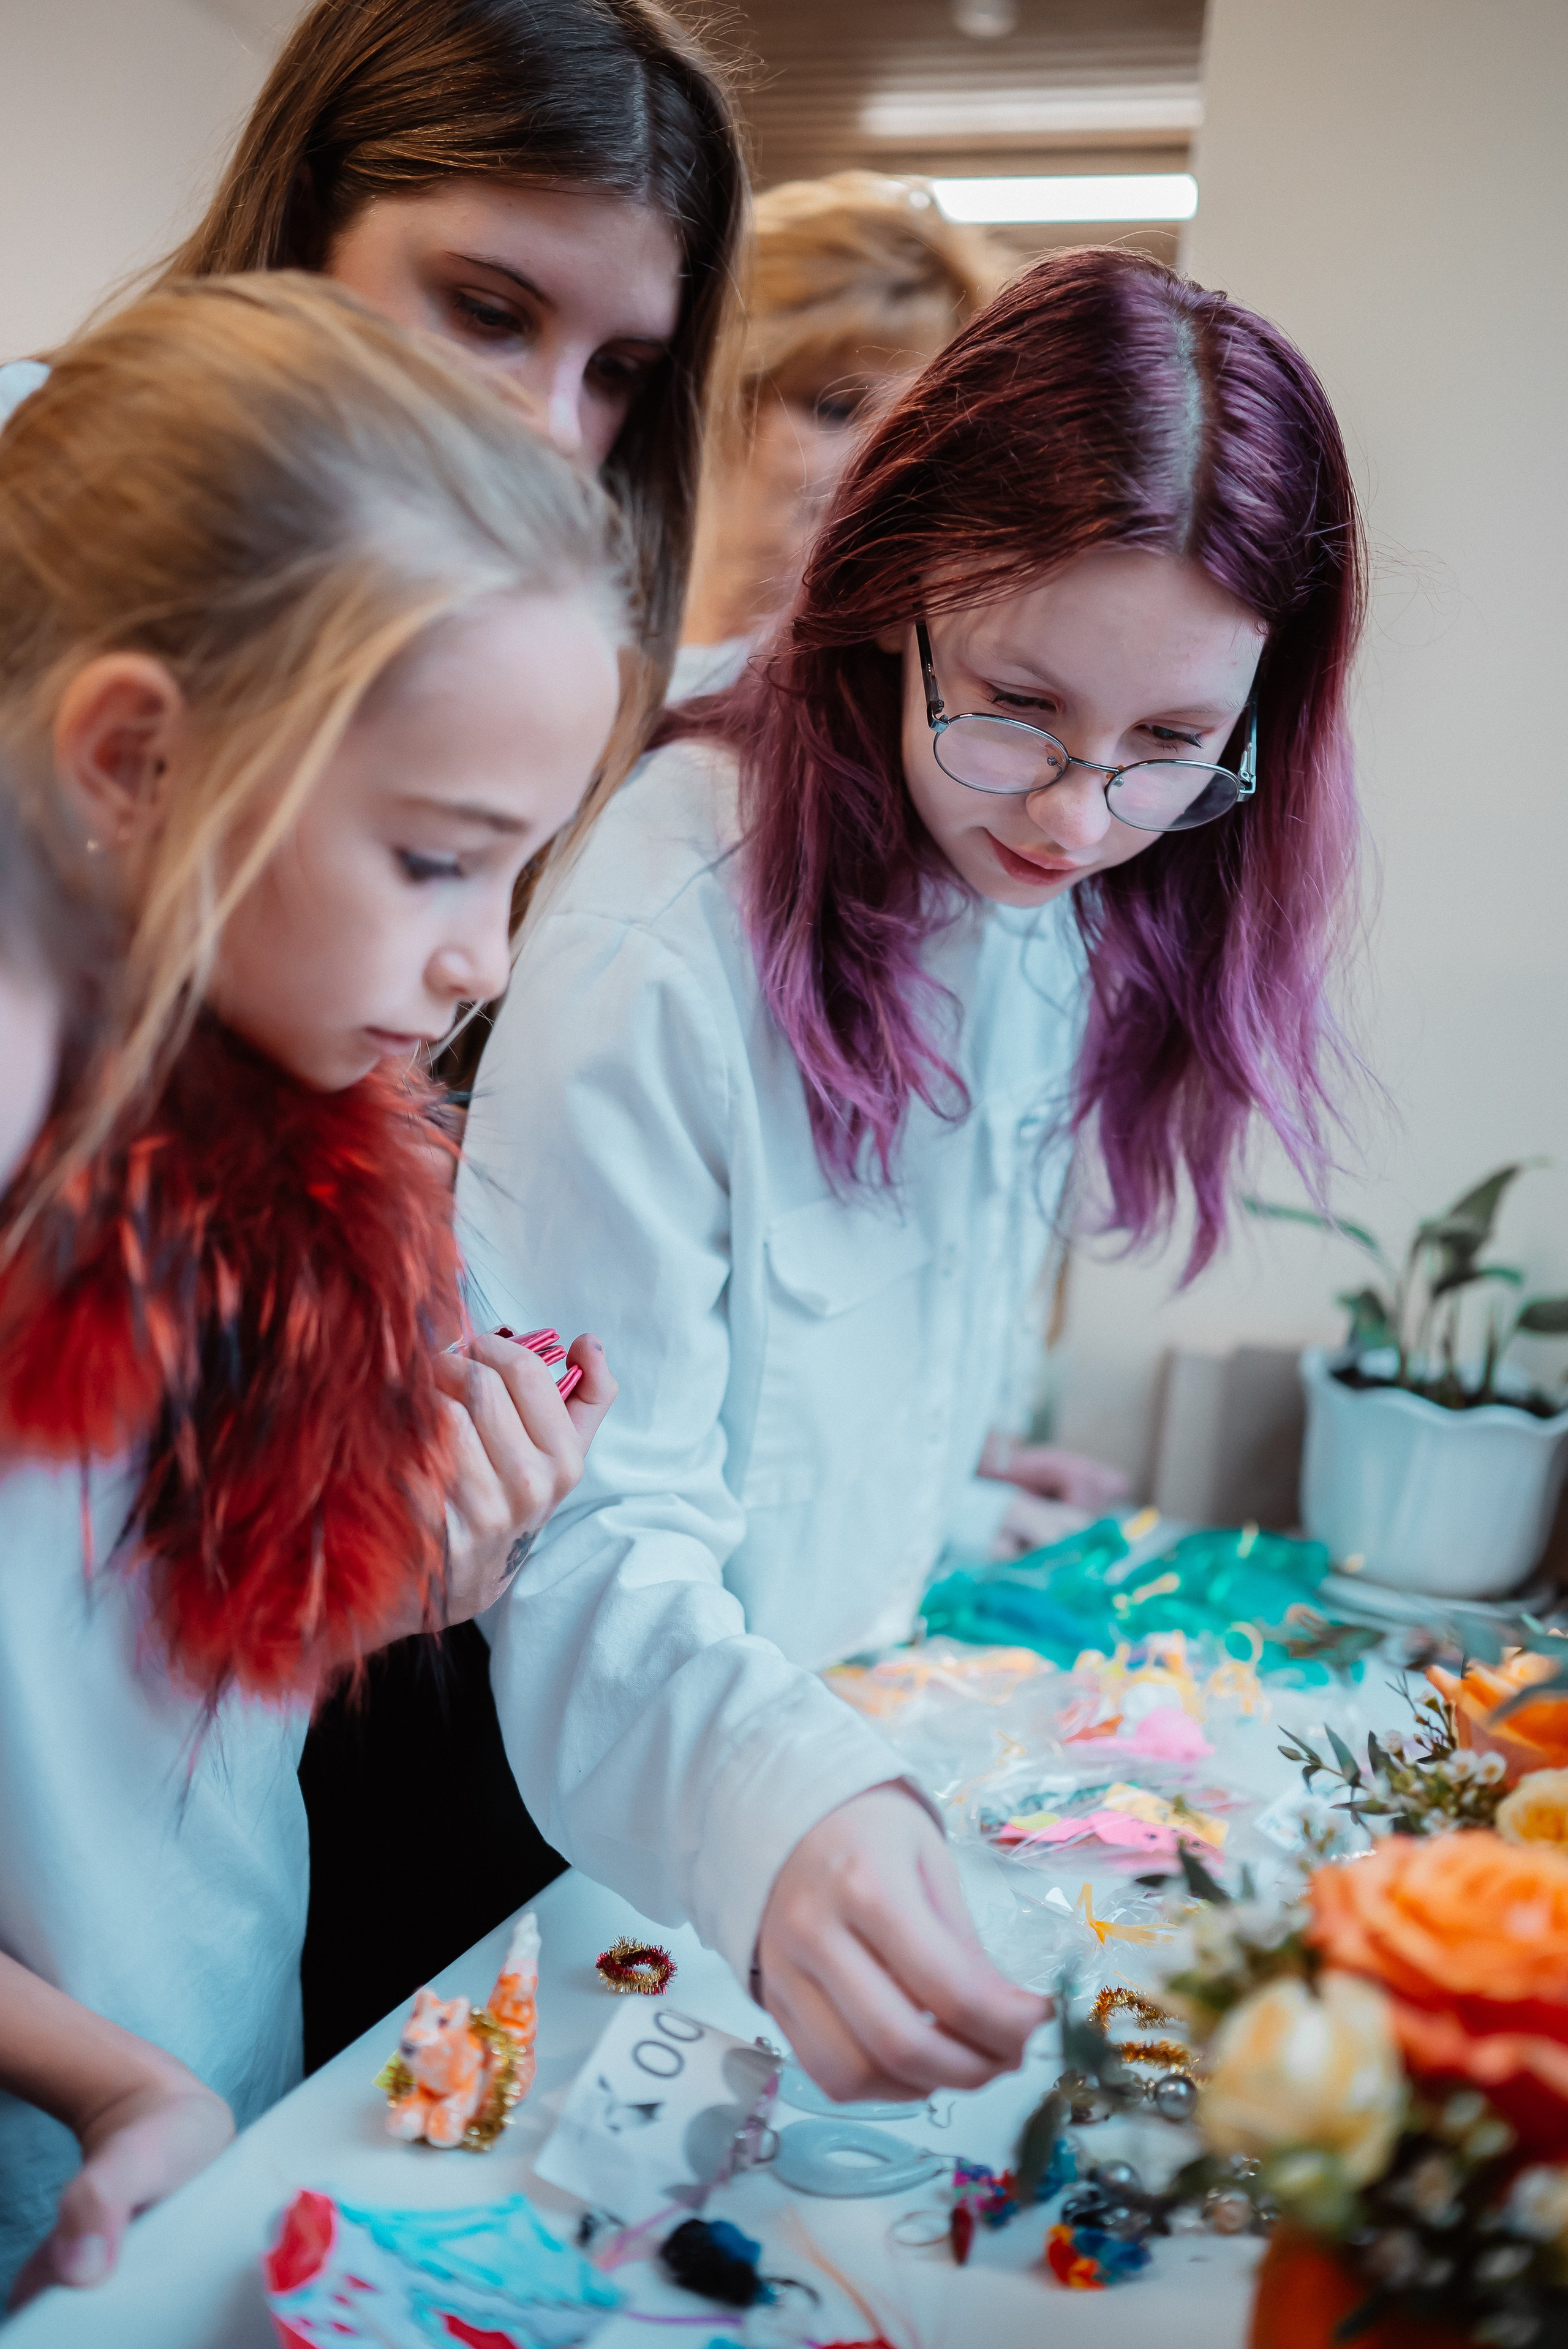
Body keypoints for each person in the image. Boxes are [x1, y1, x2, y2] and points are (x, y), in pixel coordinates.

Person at [456, 246, 1366, 2101]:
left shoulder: (1063, 879)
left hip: (869, 1728)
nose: (1075, 815)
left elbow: (854, 1342)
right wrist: (778, 1805)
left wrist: (939, 1486)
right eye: (1018, 703)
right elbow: (586, 1524)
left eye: (1173, 748)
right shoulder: (668, 923)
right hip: (588, 1839)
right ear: (893, 591)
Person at [0, 272, 624, 2302]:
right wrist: (113, 2088)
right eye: (442, 858)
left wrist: (414, 1565)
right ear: (132, 762)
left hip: (218, 2103)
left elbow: (169, 1680)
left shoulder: (300, 1160)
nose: (490, 960)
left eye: (522, 870)